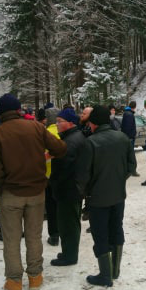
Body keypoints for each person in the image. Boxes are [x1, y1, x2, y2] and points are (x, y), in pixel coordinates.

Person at [0, 93, 67, 290]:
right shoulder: (36, 127)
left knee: (12, 239)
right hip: (37, 191)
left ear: (0, 112)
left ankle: (14, 282)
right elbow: (60, 148)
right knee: (34, 236)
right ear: (19, 109)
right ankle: (35, 277)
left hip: (10, 194)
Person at [78, 105, 137, 286]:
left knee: (100, 234)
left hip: (97, 198)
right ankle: (115, 270)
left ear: (94, 123)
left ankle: (105, 275)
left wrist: (86, 192)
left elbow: (83, 175)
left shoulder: (91, 142)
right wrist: (118, 180)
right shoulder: (123, 138)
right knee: (116, 228)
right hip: (119, 195)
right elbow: (131, 167)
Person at [50, 108, 90, 266]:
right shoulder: (73, 137)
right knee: (70, 222)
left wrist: (54, 184)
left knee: (68, 224)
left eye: (60, 122)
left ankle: (70, 256)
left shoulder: (70, 142)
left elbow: (64, 170)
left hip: (69, 190)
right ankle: (68, 252)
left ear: (70, 123)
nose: (57, 124)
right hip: (73, 188)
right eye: (57, 121)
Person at [44, 107, 61, 247]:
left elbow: (43, 156)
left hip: (48, 176)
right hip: (63, 175)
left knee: (51, 207)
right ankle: (63, 231)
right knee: (61, 206)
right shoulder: (62, 131)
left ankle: (54, 235)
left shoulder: (45, 133)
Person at [120, 101, 139, 177]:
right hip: (129, 138)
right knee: (131, 155)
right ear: (134, 107)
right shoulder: (129, 114)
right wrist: (130, 137)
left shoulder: (127, 113)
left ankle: (128, 170)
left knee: (127, 154)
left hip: (127, 137)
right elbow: (128, 127)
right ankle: (132, 171)